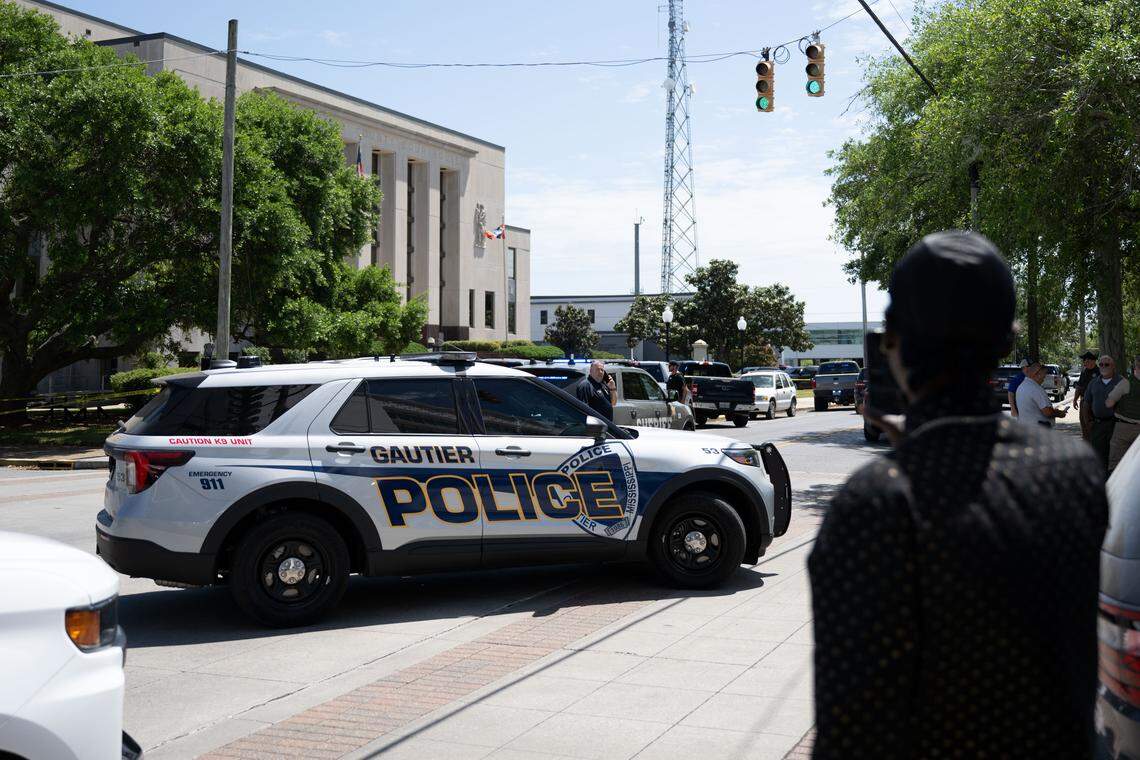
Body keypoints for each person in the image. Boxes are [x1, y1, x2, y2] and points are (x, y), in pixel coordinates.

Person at [809, 231, 1107, 759]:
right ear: (1006, 345)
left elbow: (853, 733)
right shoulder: (1072, 472)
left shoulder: (878, 504)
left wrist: (915, 453)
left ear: (893, 343)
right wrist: (922, 444)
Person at [1084, 355, 1121, 474]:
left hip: (1116, 425)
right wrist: (1087, 422)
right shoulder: (1093, 383)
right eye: (1101, 364)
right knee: (1098, 457)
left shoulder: (1121, 382)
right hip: (1097, 425)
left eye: (1107, 364)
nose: (1103, 367)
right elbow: (1086, 403)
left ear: (1113, 366)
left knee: (1115, 457)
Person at [1106, 355, 1140, 473]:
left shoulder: (1125, 383)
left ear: (1135, 366)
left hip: (1123, 428)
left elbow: (1109, 403)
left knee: (1116, 465)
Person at [1015, 359, 1068, 428]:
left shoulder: (1022, 386)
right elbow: (1048, 412)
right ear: (1037, 373)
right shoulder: (1035, 388)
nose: (1045, 377)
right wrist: (1060, 413)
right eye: (1044, 374)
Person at [1074, 350, 1100, 441]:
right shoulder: (1084, 372)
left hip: (1094, 403)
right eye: (1084, 360)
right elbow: (1079, 386)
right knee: (1084, 426)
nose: (1084, 362)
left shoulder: (1099, 372)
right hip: (1084, 402)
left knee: (1093, 427)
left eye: (1087, 360)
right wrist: (1075, 399)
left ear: (1093, 361)